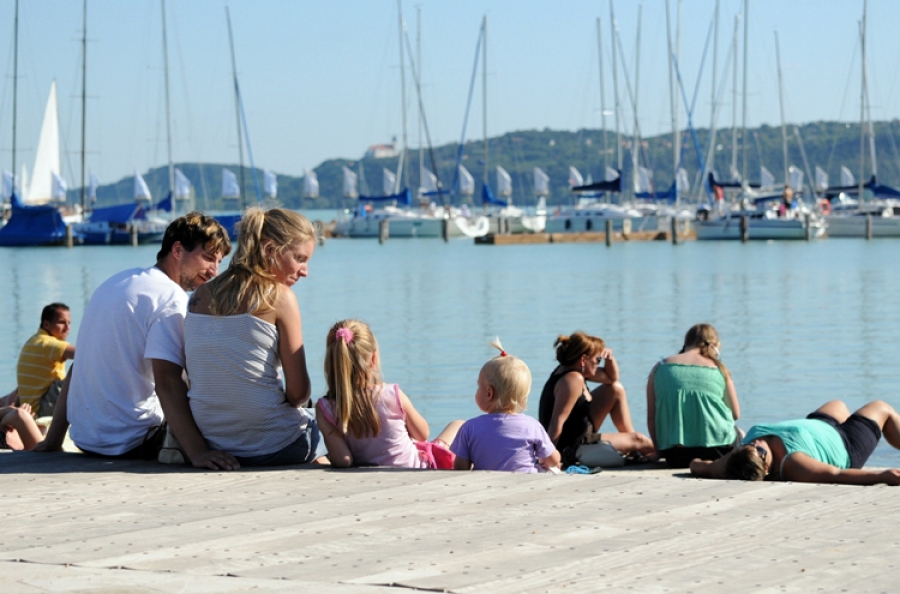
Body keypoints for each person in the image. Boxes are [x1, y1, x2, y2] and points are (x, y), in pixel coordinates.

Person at [35, 212, 237, 470]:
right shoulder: (169, 297)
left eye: (219, 262)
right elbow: (167, 382)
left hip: (87, 440)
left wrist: (53, 440)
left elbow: (78, 368)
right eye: (208, 258)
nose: (214, 271)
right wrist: (198, 454)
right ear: (177, 249)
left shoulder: (116, 283)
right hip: (134, 441)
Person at [185, 207, 321, 466]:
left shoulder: (199, 297)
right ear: (270, 250)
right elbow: (298, 394)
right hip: (275, 444)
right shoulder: (280, 297)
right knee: (328, 427)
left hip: (214, 443)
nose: (304, 271)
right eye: (300, 259)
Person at [316, 319, 462, 469]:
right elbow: (422, 434)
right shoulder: (391, 394)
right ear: (373, 359)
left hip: (373, 475)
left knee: (320, 458)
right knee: (458, 425)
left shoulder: (324, 408)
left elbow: (344, 460)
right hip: (418, 468)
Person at [690, 400, 900, 486]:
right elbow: (836, 475)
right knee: (882, 409)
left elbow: (704, 467)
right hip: (846, 445)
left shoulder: (738, 458)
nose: (756, 443)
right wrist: (882, 476)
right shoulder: (794, 464)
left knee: (838, 404)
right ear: (766, 466)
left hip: (819, 427)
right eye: (758, 450)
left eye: (749, 445)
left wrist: (694, 463)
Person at [539, 331, 654, 468]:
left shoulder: (570, 370)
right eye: (597, 360)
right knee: (641, 441)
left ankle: (633, 447)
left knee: (615, 389)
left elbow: (612, 378)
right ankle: (656, 450)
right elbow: (556, 422)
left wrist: (610, 359)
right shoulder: (573, 380)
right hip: (572, 446)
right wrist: (549, 458)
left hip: (581, 433)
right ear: (583, 360)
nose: (599, 364)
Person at [451, 339, 560, 473]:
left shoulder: (469, 428)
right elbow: (553, 460)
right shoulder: (532, 426)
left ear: (489, 393)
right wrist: (545, 461)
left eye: (479, 386)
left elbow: (460, 469)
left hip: (484, 486)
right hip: (525, 486)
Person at [646, 324, 740, 468]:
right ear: (714, 345)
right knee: (740, 433)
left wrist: (658, 452)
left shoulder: (660, 367)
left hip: (675, 455)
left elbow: (652, 418)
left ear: (686, 343)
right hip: (718, 451)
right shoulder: (719, 369)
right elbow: (735, 414)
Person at [15, 303, 76, 418]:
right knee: (74, 376)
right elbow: (84, 354)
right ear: (46, 324)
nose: (67, 328)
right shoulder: (48, 344)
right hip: (41, 411)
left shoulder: (33, 341)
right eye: (62, 322)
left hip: (32, 409)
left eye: (69, 323)